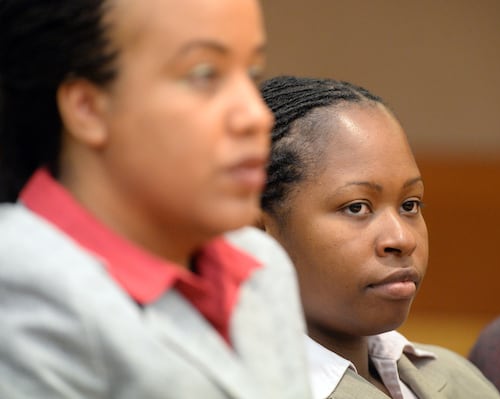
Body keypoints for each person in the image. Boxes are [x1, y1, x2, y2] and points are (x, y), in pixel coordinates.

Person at [0, 1, 311, 398]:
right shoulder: (21, 286)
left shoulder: (261, 266)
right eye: (204, 74)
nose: (256, 115)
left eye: (252, 73)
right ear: (88, 108)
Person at [259, 76, 500, 399]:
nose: (402, 239)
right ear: (259, 233)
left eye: (410, 205)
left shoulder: (457, 377)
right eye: (357, 207)